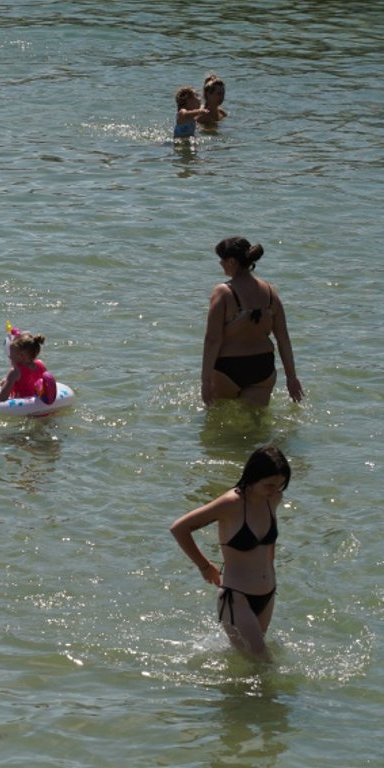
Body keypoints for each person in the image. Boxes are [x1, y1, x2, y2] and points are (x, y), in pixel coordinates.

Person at [170, 446, 290, 661]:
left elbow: (269, 545)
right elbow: (179, 528)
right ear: (254, 477)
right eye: (269, 485)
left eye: (280, 485)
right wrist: (205, 566)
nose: (275, 491)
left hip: (267, 594)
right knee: (262, 659)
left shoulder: (273, 499)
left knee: (250, 663)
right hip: (237, 597)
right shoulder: (231, 504)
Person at [201, 237, 304, 406]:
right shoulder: (270, 292)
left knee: (218, 419)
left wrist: (205, 381)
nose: (220, 263)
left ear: (232, 261)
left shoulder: (223, 292)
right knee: (256, 420)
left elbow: (212, 340)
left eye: (222, 259)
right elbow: (283, 338)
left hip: (228, 368)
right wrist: (291, 377)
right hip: (262, 368)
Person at [0, 331, 56, 404]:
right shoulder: (41, 364)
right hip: (40, 404)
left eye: (11, 354)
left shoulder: (15, 372)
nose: (9, 357)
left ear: (21, 356)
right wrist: (7, 382)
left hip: (23, 408)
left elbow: (1, 398)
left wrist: (7, 383)